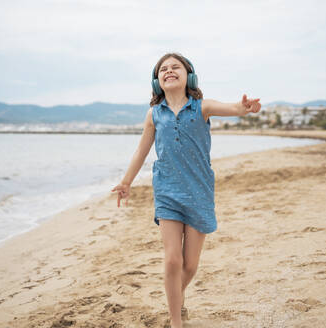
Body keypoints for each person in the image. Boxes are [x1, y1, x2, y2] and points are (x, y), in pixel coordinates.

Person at [111, 52, 261, 328]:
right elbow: (142, 150)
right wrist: (126, 182)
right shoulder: (154, 114)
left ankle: (177, 299)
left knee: (189, 266)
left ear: (188, 75)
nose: (169, 71)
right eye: (163, 69)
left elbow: (234, 109)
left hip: (199, 191)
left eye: (175, 67)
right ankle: (175, 320)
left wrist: (245, 108)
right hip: (167, 191)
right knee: (172, 260)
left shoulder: (202, 107)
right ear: (157, 81)